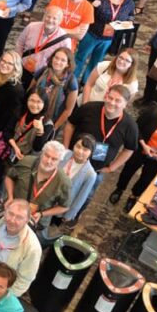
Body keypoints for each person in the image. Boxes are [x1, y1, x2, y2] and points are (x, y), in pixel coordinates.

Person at [61, 86, 140, 222]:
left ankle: (73, 216)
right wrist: (66, 148)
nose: (112, 103)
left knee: (85, 195)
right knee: (61, 188)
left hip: (96, 170)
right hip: (72, 161)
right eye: (110, 98)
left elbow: (129, 149)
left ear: (125, 104)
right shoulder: (89, 108)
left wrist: (112, 167)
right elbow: (70, 124)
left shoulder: (130, 126)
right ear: (106, 96)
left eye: (118, 100)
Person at [74, 0, 136, 83]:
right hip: (91, 33)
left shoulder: (128, 1)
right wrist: (91, 5)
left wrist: (128, 22)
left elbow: (131, 15)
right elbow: (83, 2)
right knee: (80, 57)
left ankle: (86, 82)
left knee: (97, 62)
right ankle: (72, 80)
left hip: (109, 38)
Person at [3, 141, 72, 232]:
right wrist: (10, 197)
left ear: (60, 161)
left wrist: (42, 214)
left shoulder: (64, 182)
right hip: (12, 212)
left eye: (54, 159)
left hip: (34, 222)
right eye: (47, 156)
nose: (48, 161)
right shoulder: (26, 162)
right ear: (41, 154)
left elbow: (64, 207)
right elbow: (9, 177)